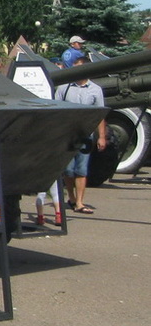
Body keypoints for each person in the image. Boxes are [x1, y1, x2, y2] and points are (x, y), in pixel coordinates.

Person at [56, 56, 107, 214]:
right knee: (68, 170)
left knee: (82, 169)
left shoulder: (95, 89)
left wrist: (101, 136)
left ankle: (79, 202)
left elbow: (100, 115)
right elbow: (55, 110)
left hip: (85, 135)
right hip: (67, 135)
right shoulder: (64, 88)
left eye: (77, 68)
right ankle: (71, 197)